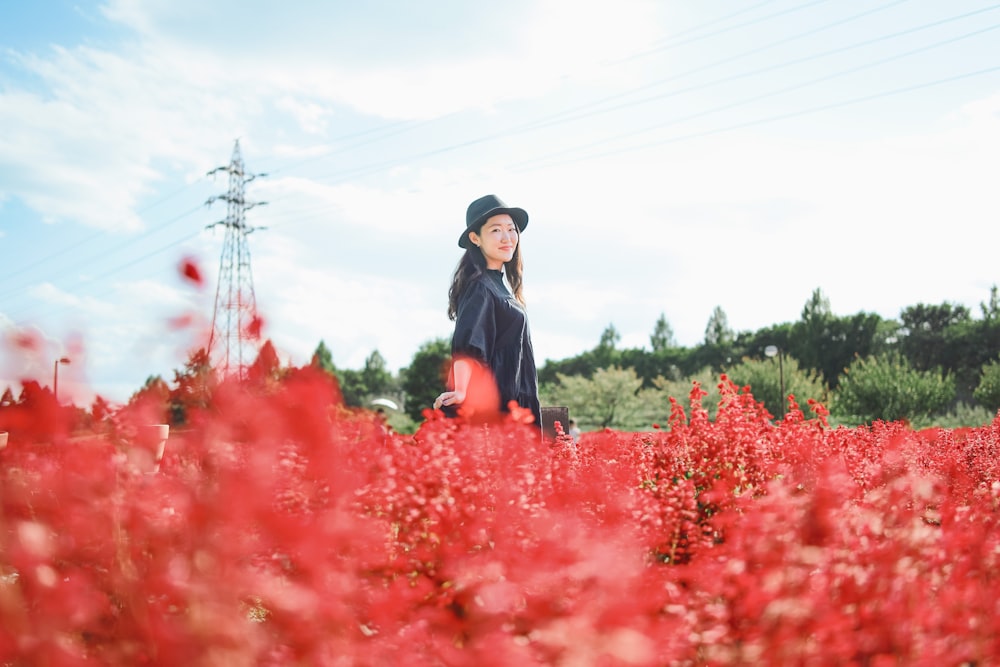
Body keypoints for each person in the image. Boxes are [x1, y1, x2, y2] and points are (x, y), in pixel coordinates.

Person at [433, 194, 541, 428]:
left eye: (511, 230)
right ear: (475, 238)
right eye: (495, 230)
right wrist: (460, 390)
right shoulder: (480, 286)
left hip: (513, 403)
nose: (507, 238)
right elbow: (469, 342)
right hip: (494, 411)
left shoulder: (499, 284)